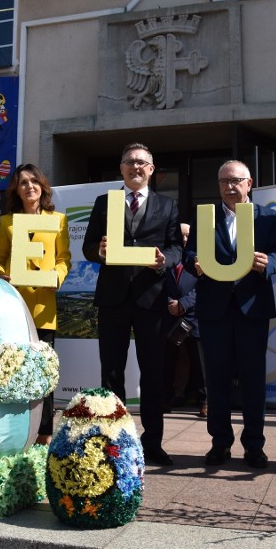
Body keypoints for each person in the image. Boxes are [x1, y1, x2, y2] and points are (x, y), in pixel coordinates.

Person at [83, 142, 183, 466]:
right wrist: (99, 251)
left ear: (152, 170)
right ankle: (114, 441)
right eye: (129, 161)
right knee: (111, 373)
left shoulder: (167, 206)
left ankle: (152, 442)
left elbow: (176, 249)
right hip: (113, 299)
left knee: (153, 374)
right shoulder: (104, 203)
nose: (135, 166)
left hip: (151, 299)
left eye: (142, 162)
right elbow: (87, 248)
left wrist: (162, 261)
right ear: (121, 168)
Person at [184, 161, 276, 468]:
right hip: (214, 311)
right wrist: (195, 264)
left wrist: (268, 262)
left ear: (249, 183)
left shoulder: (267, 218)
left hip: (252, 309)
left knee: (254, 381)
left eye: (236, 181)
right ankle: (220, 443)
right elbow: (190, 256)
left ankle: (254, 445)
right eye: (224, 182)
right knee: (217, 382)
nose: (229, 187)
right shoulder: (206, 217)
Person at [0, 164, 71, 444]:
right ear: (16, 189)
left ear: (42, 186)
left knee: (43, 373)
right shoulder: (7, 223)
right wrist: (2, 275)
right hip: (14, 306)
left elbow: (64, 259)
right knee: (14, 371)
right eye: (23, 182)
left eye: (33, 181)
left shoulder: (57, 220)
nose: (29, 187)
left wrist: (57, 277)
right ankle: (15, 431)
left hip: (44, 307)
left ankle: (44, 432)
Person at [164, 223, 206, 418]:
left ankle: (205, 400)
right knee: (173, 360)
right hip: (172, 318)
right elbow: (159, 284)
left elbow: (204, 287)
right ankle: (173, 396)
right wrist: (170, 303)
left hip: (195, 317)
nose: (185, 238)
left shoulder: (200, 258)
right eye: (182, 235)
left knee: (200, 362)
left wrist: (183, 303)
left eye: (189, 234)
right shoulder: (168, 257)